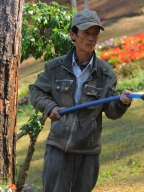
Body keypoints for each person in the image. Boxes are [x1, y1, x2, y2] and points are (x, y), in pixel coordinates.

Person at [29, 9, 133, 192]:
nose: (91, 38)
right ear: (73, 34)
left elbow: (111, 111)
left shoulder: (105, 73)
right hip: (58, 148)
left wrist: (121, 103)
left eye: (95, 33)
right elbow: (36, 91)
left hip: (88, 151)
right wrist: (50, 107)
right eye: (86, 33)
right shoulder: (55, 68)